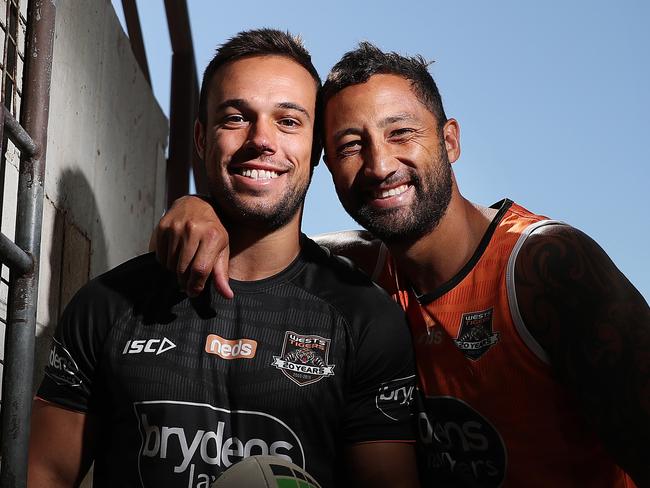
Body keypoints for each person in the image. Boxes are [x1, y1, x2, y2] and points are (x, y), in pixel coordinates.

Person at [152, 42, 650, 487]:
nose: (379, 165)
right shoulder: (356, 269)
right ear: (325, 165)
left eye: (401, 133)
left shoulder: (545, 267)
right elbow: (265, 242)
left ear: (449, 140)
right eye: (351, 145)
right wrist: (200, 208)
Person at [27, 31, 421, 488]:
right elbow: (44, 474)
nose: (261, 140)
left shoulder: (365, 318)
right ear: (200, 137)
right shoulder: (108, 305)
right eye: (236, 117)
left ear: (316, 151)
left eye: (289, 121)